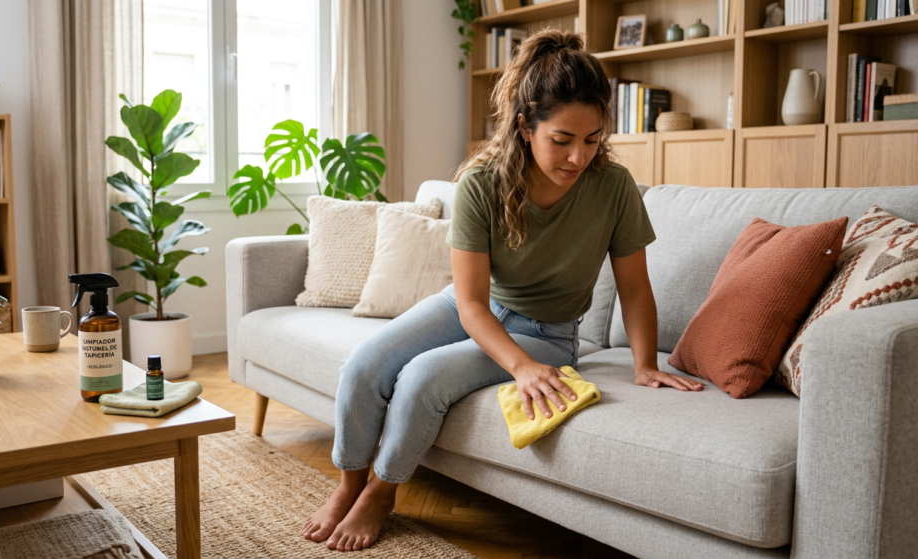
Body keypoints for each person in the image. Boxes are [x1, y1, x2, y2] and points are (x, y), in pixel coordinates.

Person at [301, 28, 704, 553]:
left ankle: (382, 492)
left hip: (551, 334)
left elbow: (634, 287)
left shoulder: (614, 188)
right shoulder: (482, 183)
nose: (578, 158)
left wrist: (645, 363)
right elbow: (468, 302)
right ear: (525, 126)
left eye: (592, 139)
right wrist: (518, 366)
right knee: (362, 365)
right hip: (475, 309)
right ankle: (350, 484)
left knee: (422, 377)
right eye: (561, 139)